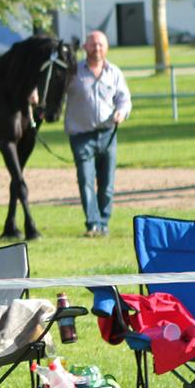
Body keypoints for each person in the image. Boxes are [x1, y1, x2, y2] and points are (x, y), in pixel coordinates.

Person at [64, 30, 131, 237]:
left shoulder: (114, 73)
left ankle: (104, 222)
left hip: (108, 134)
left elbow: (124, 99)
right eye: (93, 45)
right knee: (86, 180)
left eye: (101, 45)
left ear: (107, 48)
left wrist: (122, 111)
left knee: (107, 183)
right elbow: (55, 90)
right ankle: (92, 224)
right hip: (81, 135)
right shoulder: (73, 72)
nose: (97, 49)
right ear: (85, 47)